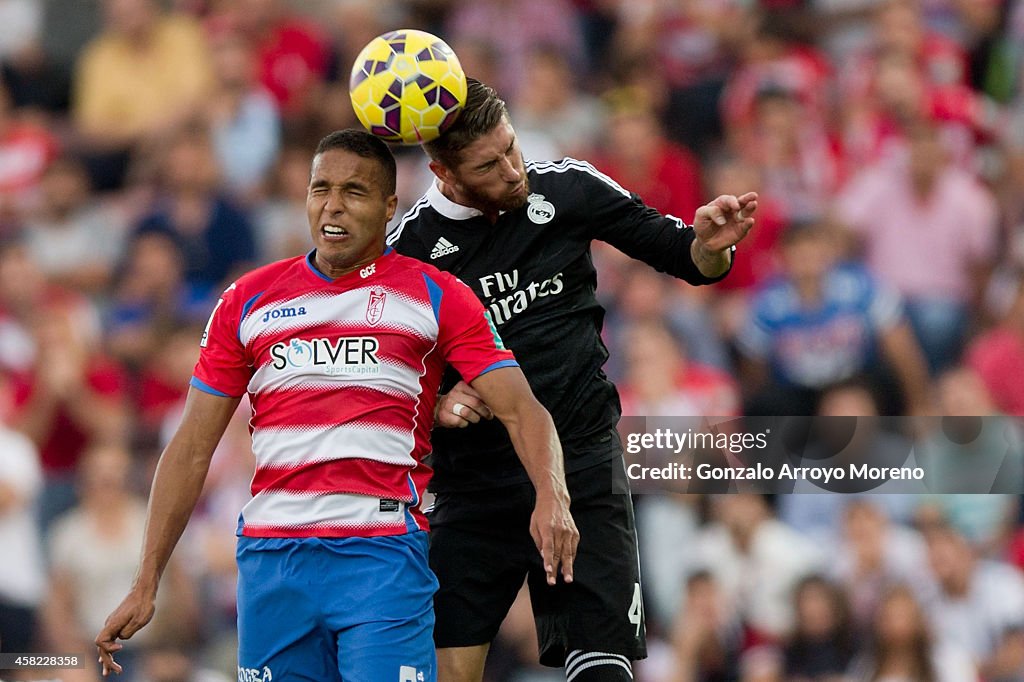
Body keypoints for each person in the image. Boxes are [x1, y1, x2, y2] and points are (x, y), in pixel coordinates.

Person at [94, 129, 578, 682]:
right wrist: (146, 579)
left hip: (382, 559)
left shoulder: (436, 294)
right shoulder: (246, 300)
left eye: (355, 190)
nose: (333, 205)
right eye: (320, 188)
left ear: (390, 205)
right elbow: (190, 448)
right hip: (272, 564)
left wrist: (553, 497)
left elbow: (523, 409)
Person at [387, 77, 757, 681]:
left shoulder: (567, 188)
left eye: (512, 147)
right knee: (445, 670)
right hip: (476, 486)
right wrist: (437, 405)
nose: (513, 171)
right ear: (442, 172)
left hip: (583, 462)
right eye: (490, 164)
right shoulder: (412, 254)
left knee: (603, 667)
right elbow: (381, 384)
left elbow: (683, 253)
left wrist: (712, 248)